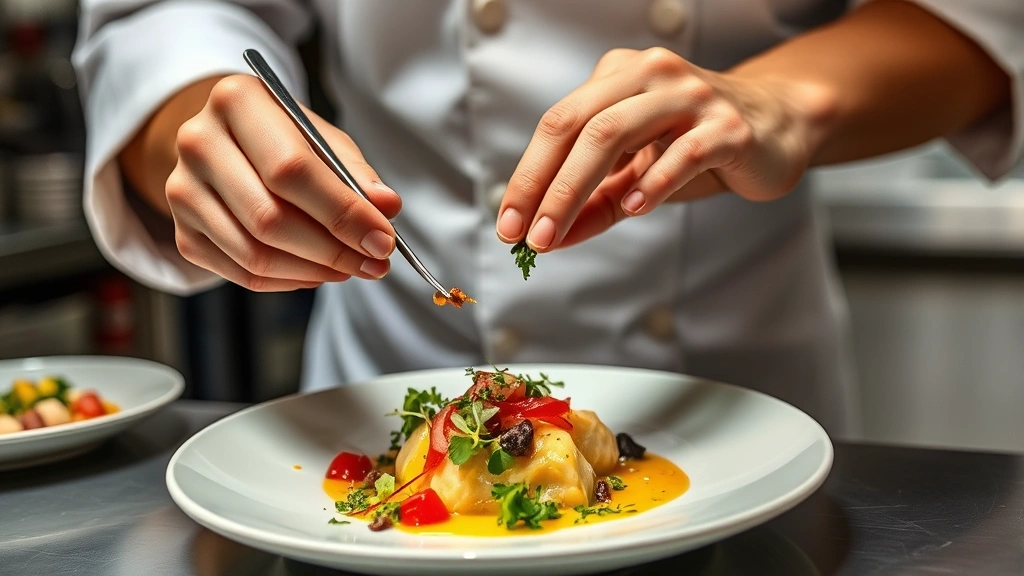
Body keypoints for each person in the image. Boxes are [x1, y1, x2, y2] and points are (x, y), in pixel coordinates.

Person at [72, 0, 1021, 438]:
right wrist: (194, 120)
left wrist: (779, 103)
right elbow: (161, 16)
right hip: (381, 387)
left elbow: (980, 18)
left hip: (736, 402)